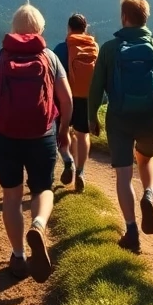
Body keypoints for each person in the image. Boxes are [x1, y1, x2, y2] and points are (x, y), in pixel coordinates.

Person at [0, 2, 73, 282]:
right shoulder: (49, 56)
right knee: (43, 188)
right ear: (40, 29)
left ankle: (18, 256)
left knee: (12, 196)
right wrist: (63, 130)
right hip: (41, 135)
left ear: (13, 28)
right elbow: (65, 100)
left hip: (5, 137)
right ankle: (39, 225)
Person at [88, 0, 153, 255]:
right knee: (147, 157)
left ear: (124, 17)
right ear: (145, 18)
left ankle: (131, 231)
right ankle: (149, 195)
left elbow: (96, 88)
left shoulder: (109, 49)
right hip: (149, 116)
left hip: (118, 118)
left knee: (124, 174)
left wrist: (91, 116)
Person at [53, 13, 98, 193]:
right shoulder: (94, 48)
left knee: (64, 131)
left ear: (69, 28)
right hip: (86, 98)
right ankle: (80, 171)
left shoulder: (61, 48)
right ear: (85, 28)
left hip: (65, 97)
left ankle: (67, 161)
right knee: (83, 135)